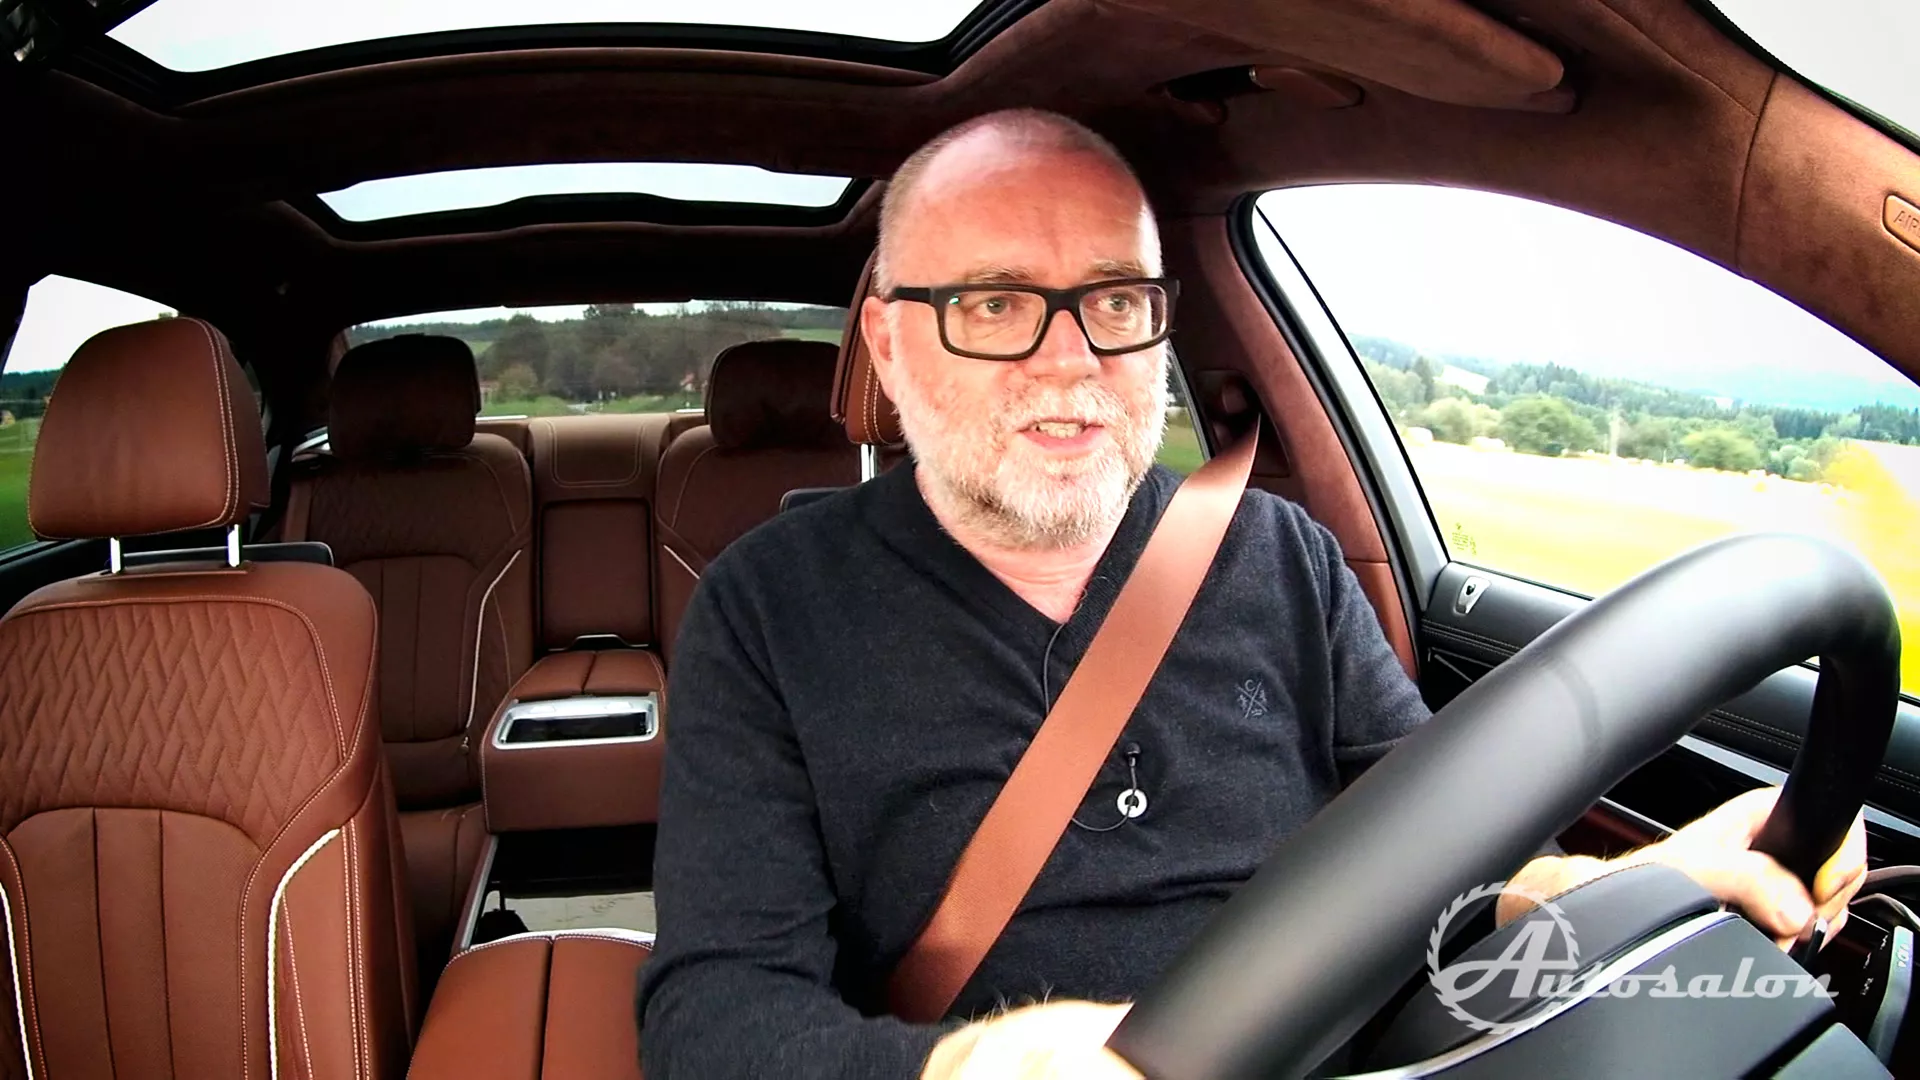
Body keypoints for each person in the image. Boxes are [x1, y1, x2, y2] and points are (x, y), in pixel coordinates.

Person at [635, 109, 1867, 1079]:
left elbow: (1438, 852)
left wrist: (1617, 886)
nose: (1072, 358)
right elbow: (716, 1012)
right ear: (888, 344)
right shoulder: (766, 611)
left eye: (1116, 300)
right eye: (995, 304)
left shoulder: (1279, 555)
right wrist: (976, 1065)